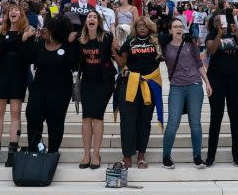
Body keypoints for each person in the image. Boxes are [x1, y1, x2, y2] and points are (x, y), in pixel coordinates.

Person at [161, 18, 211, 169]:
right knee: (172, 123)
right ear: (170, 30)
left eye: (180, 27)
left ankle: (197, 156)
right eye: (175, 27)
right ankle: (166, 156)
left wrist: (207, 82)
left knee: (195, 123)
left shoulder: (190, 43)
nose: (178, 29)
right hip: (176, 86)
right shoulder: (164, 46)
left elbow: (199, 63)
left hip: (194, 85)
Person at [113, 15, 162, 169]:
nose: (141, 27)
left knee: (144, 121)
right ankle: (127, 156)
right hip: (130, 85)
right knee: (128, 121)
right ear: (135, 27)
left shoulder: (156, 41)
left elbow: (166, 56)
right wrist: (113, 49)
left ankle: (141, 156)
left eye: (144, 25)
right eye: (139, 25)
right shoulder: (130, 42)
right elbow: (122, 62)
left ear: (149, 27)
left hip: (150, 85)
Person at [0, 1, 33, 167]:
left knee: (15, 114)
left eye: (16, 10)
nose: (13, 12)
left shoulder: (27, 33)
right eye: (10, 11)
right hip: (2, 74)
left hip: (18, 75)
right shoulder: (1, 31)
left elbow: (27, 57)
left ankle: (12, 153)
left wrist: (24, 39)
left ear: (21, 15)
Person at [25, 15, 78, 153]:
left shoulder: (69, 45)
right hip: (39, 89)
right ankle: (34, 149)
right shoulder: (40, 44)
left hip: (60, 91)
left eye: (48, 27)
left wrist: (71, 41)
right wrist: (29, 39)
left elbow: (74, 63)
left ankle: (53, 152)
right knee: (32, 116)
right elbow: (30, 57)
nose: (44, 29)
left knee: (55, 122)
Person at [204, 4, 238, 168]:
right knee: (216, 117)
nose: (218, 22)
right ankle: (210, 156)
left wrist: (237, 34)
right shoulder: (210, 35)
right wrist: (219, 35)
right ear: (212, 23)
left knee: (235, 117)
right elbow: (212, 50)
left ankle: (237, 155)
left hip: (236, 79)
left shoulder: (233, 33)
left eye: (220, 19)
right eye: (216, 20)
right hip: (216, 79)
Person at [77, 11, 116, 169]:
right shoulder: (81, 40)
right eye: (89, 17)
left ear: (98, 22)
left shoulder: (107, 37)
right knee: (86, 118)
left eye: (94, 17)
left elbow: (116, 54)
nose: (91, 19)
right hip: (87, 82)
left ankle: (96, 154)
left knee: (97, 117)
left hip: (104, 82)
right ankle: (86, 154)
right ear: (86, 22)